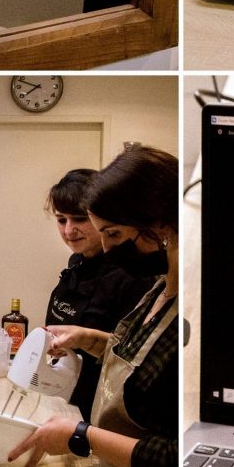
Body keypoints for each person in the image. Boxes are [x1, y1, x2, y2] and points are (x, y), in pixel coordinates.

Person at [9, 146, 178, 467]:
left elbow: (181, 459)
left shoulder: (195, 318)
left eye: (115, 235)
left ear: (160, 227)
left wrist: (81, 435)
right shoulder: (157, 293)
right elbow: (139, 362)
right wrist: (91, 339)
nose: (104, 248)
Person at [43, 169, 152, 420]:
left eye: (79, 219)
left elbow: (133, 355)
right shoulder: (76, 262)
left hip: (103, 407)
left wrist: (84, 339)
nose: (69, 230)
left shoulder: (132, 276)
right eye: (61, 220)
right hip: (65, 395)